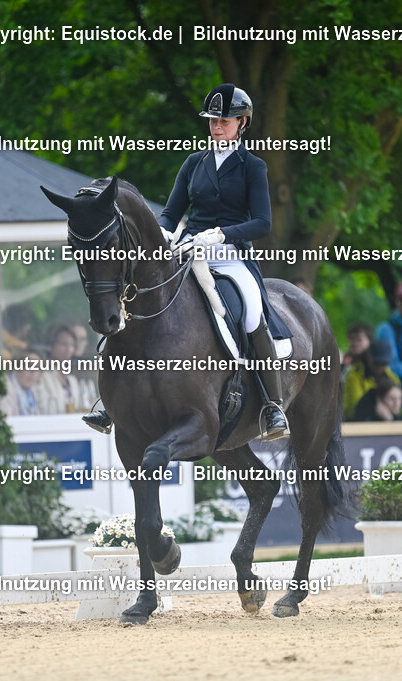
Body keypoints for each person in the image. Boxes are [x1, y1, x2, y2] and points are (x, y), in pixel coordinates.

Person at [83, 83, 292, 440]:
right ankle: (108, 399)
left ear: (242, 123)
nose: (216, 127)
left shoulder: (252, 167)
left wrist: (222, 234)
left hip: (229, 255)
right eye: (212, 121)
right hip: (187, 249)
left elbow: (263, 222)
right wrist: (164, 235)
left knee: (253, 308)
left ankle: (272, 405)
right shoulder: (194, 162)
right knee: (136, 297)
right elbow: (170, 213)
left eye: (224, 121)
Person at [39, 324, 95, 414]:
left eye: (72, 345)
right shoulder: (41, 375)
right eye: (64, 344)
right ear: (50, 346)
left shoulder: (72, 380)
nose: (69, 349)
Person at [344, 337, 399, 420]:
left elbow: (399, 410)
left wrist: (389, 417)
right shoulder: (354, 377)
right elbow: (351, 411)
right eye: (377, 363)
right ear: (369, 358)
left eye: (384, 363)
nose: (380, 367)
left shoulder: (393, 378)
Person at [0, 349, 47, 416]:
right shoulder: (5, 387)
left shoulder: (34, 389)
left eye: (37, 368)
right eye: (29, 366)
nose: (33, 373)